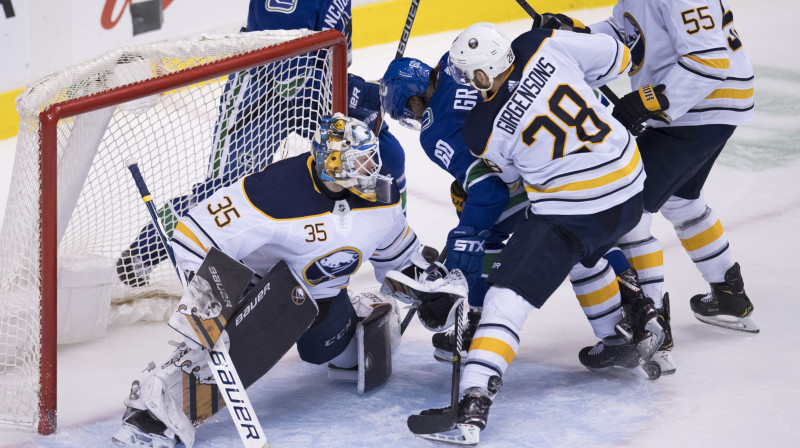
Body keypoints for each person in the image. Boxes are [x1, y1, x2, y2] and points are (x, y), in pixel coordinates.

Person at [111, 115, 445, 448]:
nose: (371, 169)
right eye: (359, 161)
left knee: (339, 356)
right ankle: (161, 404)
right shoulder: (273, 191)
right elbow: (193, 234)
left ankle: (360, 315)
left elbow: (401, 258)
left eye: (371, 158)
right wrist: (207, 299)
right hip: (259, 287)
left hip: (325, 297)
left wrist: (431, 291)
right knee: (265, 323)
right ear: (332, 162)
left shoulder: (381, 198)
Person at [412, 22, 670, 445]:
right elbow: (621, 57)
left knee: (505, 297)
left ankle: (473, 401)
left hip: (576, 210)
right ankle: (622, 331)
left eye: (466, 73)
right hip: (629, 187)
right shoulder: (541, 43)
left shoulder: (480, 130)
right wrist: (572, 34)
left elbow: (511, 181)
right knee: (585, 255)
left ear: (480, 75)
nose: (465, 81)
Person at [379, 56, 661, 364]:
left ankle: (474, 322)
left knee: (477, 222)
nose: (415, 116)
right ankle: (637, 299)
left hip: (530, 186)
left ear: (417, 97)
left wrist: (465, 238)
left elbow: (489, 189)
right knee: (587, 237)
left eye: (410, 108)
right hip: (579, 159)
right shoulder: (456, 63)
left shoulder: (434, 130)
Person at [116, 0, 409, 286]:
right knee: (225, 189)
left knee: (385, 155)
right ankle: (146, 250)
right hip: (261, 94)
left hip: (318, 90)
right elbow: (290, 76)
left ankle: (392, 243)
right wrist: (364, 93)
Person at [537, 0, 759, 376]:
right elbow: (630, 32)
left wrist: (645, 101)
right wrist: (576, 34)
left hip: (700, 109)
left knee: (630, 213)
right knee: (681, 201)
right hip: (703, 110)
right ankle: (730, 295)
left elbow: (709, 61)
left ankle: (652, 333)